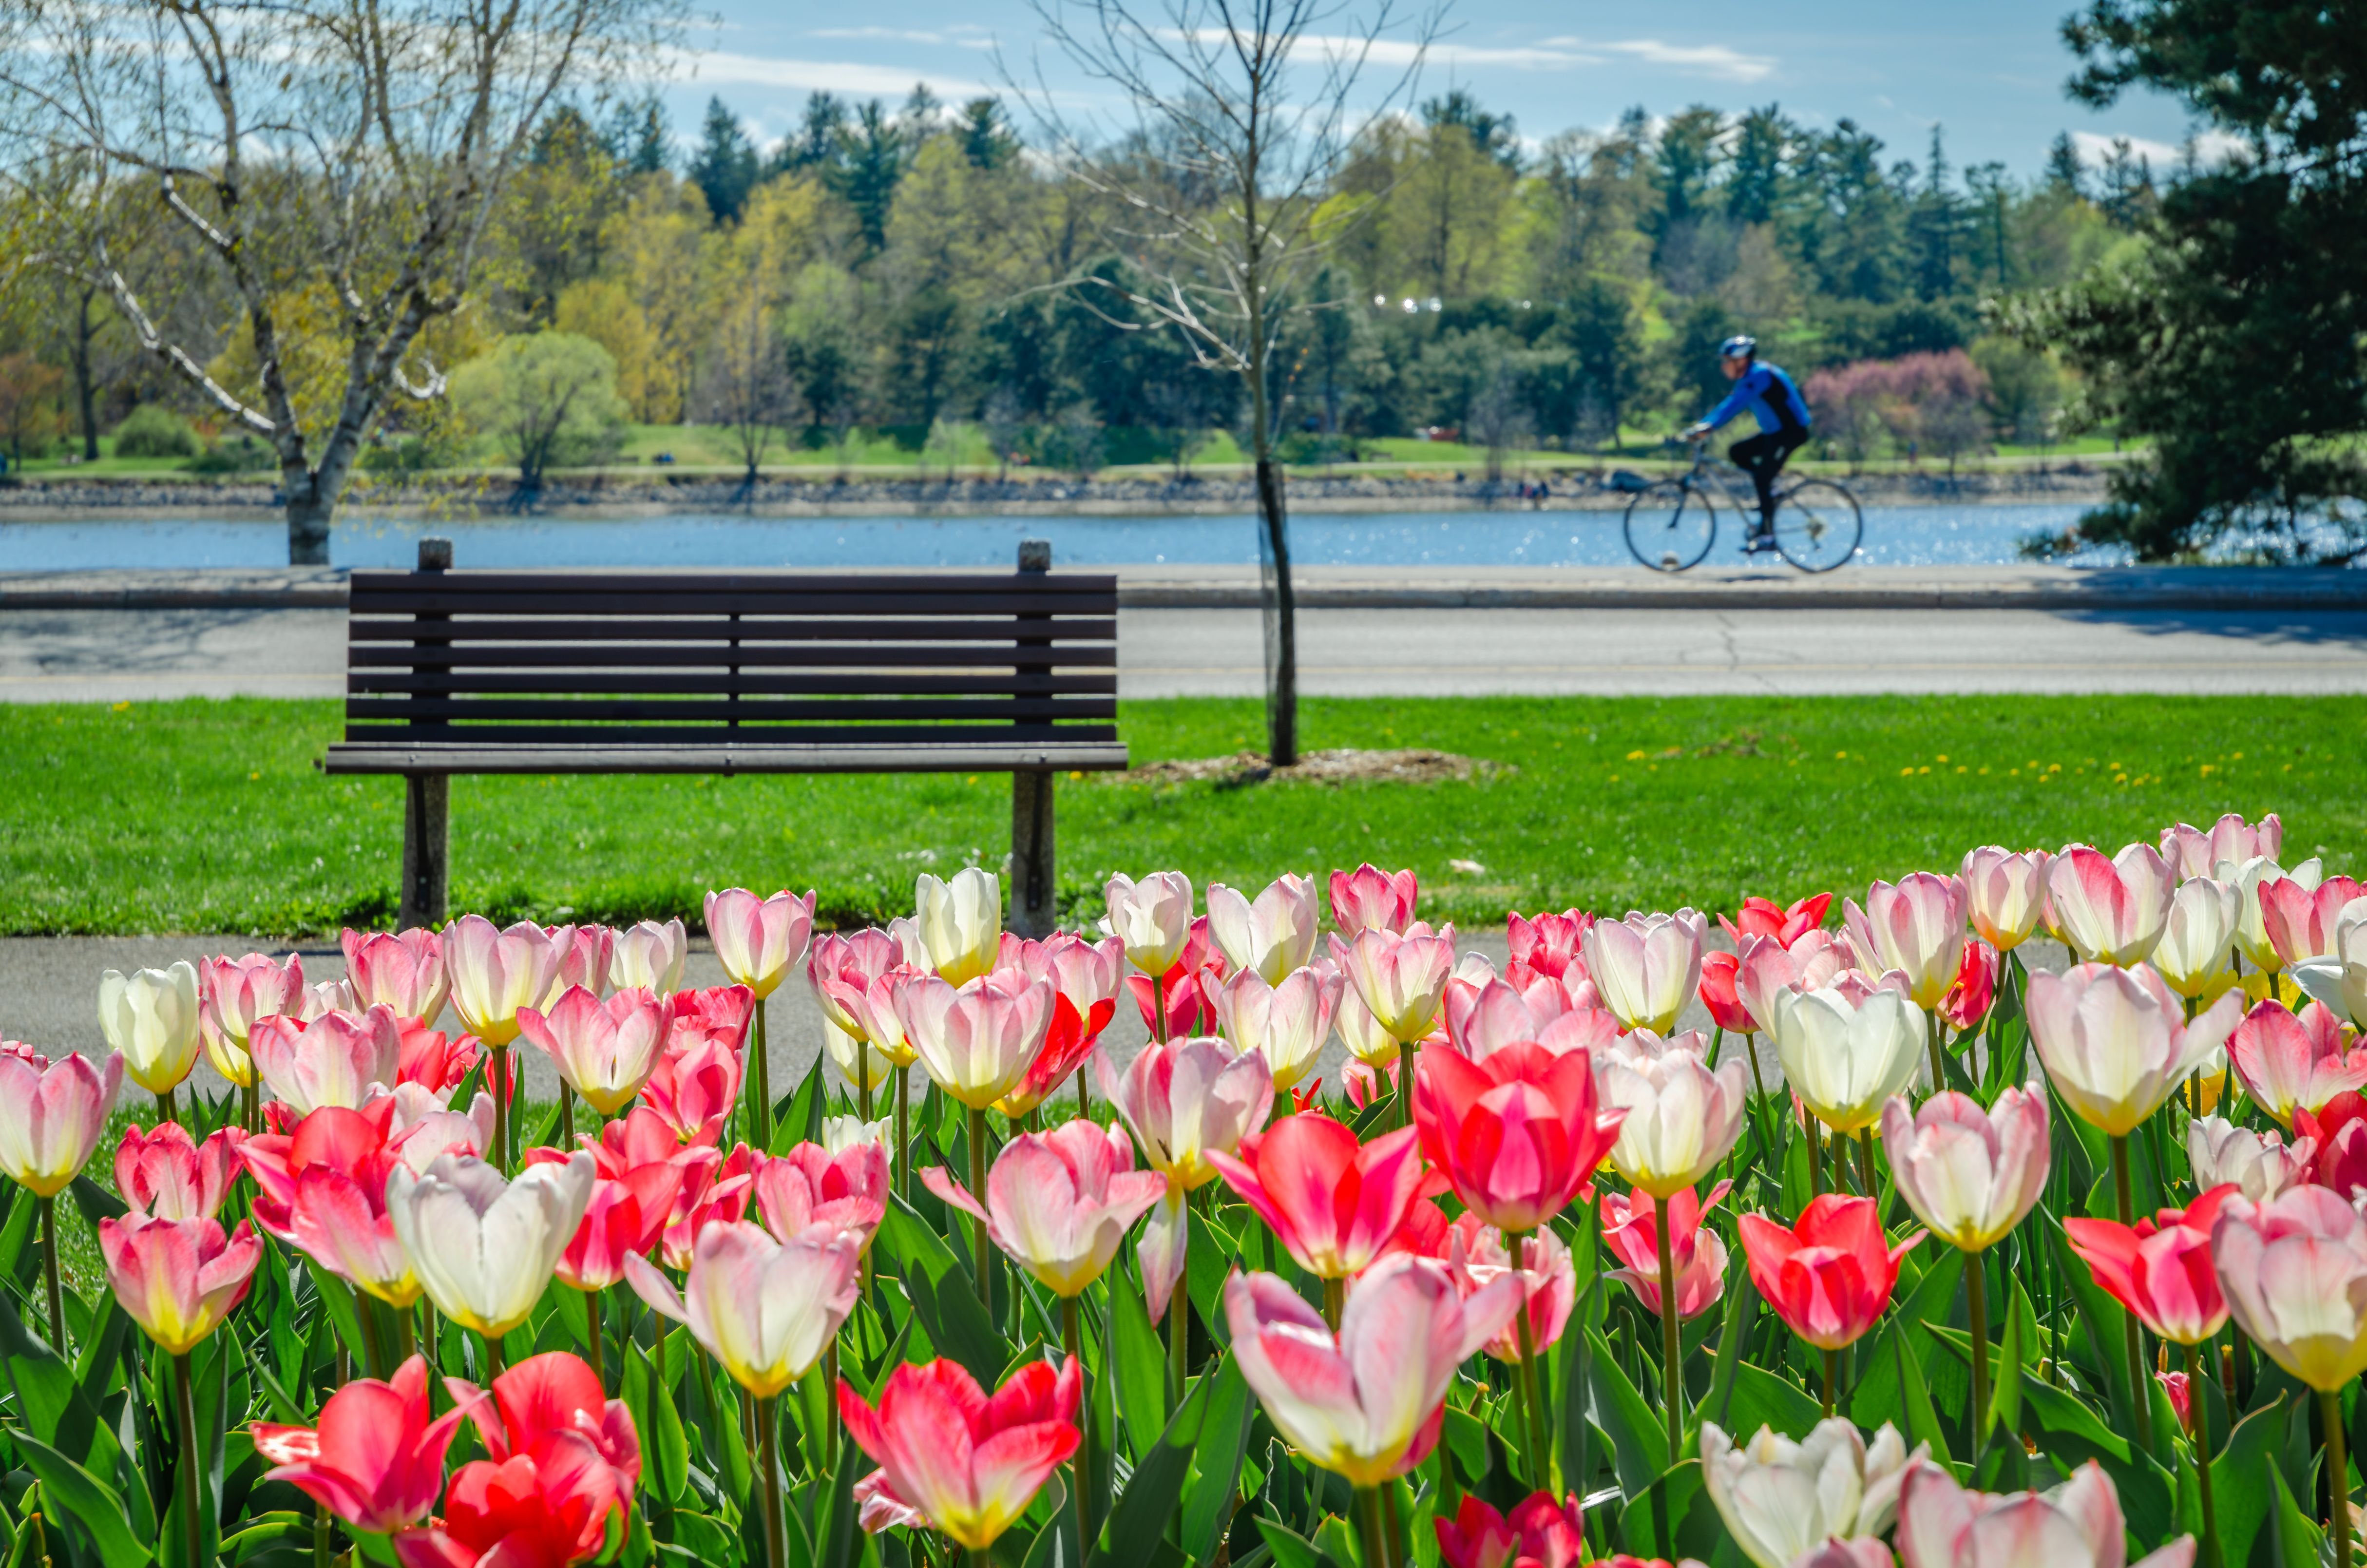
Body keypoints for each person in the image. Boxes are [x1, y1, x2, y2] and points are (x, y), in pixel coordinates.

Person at [1681, 335, 1812, 553]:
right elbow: (1730, 402)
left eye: (1727, 361)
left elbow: (1735, 404)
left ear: (1741, 360)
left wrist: (1708, 427)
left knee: (1762, 479)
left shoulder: (1759, 375)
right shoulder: (1750, 377)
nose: (1724, 367)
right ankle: (1771, 488)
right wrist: (1705, 425)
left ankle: (1769, 538)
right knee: (1737, 452)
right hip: (1775, 433)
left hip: (1791, 433)